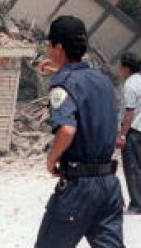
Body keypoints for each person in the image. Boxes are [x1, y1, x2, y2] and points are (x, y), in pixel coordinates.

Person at [33, 16, 124, 248]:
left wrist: (51, 159)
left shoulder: (63, 83)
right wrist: (60, 70)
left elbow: (67, 129)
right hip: (108, 184)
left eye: (49, 44)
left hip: (79, 187)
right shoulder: (103, 80)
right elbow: (84, 84)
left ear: (59, 47)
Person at [116, 51, 141, 215]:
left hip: (132, 131)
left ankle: (138, 205)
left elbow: (129, 113)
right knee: (139, 168)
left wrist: (122, 134)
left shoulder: (129, 85)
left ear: (126, 68)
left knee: (132, 169)